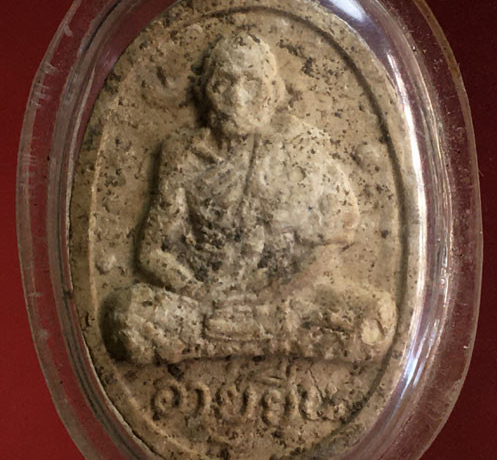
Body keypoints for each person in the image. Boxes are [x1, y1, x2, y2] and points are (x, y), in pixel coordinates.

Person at [103, 32, 395, 366]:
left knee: (371, 321)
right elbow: (150, 252)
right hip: (203, 303)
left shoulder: (298, 148)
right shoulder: (182, 153)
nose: (237, 98)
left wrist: (269, 294)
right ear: (206, 91)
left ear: (272, 93)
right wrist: (201, 293)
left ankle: (228, 339)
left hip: (284, 298)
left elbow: (331, 240)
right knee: (127, 316)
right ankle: (259, 338)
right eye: (224, 83)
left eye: (251, 84)